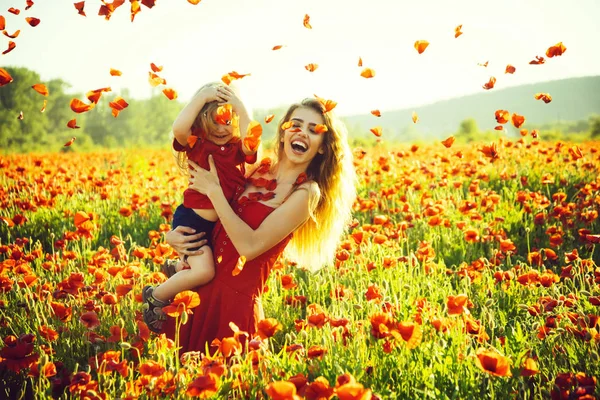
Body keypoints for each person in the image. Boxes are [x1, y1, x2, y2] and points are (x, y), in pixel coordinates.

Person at [160, 97, 357, 354]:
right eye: (296, 125)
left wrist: (214, 191)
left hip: (233, 309)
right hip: (196, 291)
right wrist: (175, 238)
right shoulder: (258, 168)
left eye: (313, 130)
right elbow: (207, 215)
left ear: (322, 147)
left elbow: (249, 246)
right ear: (284, 132)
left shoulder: (306, 193)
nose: (302, 133)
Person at [142, 82, 260, 333]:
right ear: (200, 122)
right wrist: (201, 96)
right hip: (193, 221)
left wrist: (240, 105)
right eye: (213, 121)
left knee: (200, 270)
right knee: (204, 272)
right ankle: (156, 295)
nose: (221, 128)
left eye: (228, 120)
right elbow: (178, 128)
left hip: (215, 226)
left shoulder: (238, 150)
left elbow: (252, 138)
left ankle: (175, 268)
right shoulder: (198, 145)